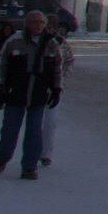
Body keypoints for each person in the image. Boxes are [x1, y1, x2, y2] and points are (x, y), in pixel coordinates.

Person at [0, 9, 62, 179]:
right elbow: (2, 65)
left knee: (34, 132)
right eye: (35, 22)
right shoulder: (15, 41)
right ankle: (3, 158)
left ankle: (29, 167)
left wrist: (57, 89)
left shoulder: (51, 44)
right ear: (27, 24)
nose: (38, 26)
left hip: (38, 95)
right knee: (9, 130)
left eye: (42, 22)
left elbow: (57, 69)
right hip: (16, 93)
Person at [39, 23, 76, 167]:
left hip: (55, 88)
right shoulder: (36, 42)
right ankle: (34, 150)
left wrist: (62, 80)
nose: (49, 30)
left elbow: (69, 61)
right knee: (35, 121)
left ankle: (46, 153)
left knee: (50, 121)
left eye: (51, 27)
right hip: (37, 87)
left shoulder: (62, 43)